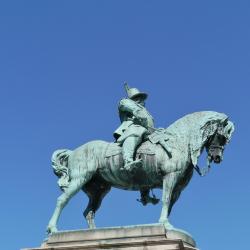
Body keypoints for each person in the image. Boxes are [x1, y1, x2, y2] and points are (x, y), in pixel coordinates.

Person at [114, 83, 154, 170]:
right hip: (133, 128)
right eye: (136, 97)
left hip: (148, 132)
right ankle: (128, 161)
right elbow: (124, 104)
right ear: (132, 99)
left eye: (140, 97)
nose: (140, 99)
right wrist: (135, 110)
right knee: (135, 132)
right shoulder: (125, 102)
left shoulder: (145, 111)